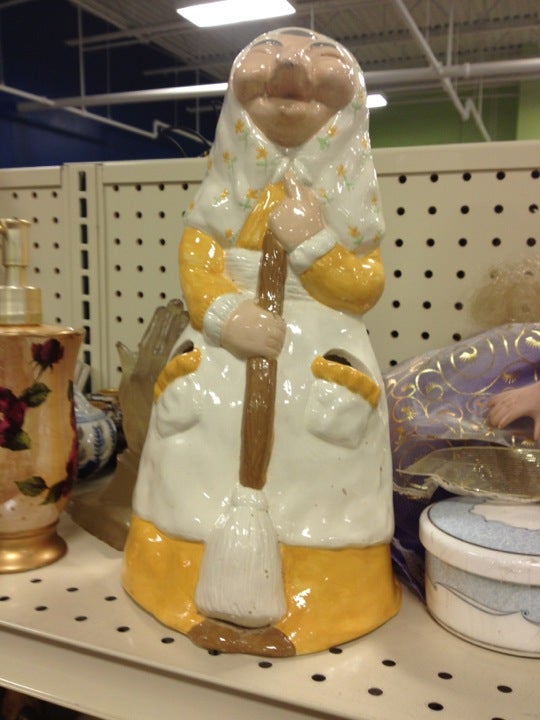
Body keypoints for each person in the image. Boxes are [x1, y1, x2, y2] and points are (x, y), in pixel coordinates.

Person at [123, 27, 400, 656]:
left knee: (320, 464)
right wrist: (226, 316)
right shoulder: (223, 197)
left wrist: (314, 244)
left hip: (319, 360)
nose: (291, 70)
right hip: (223, 355)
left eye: (319, 64)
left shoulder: (349, 210)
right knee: (196, 457)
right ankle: (178, 581)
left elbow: (363, 285)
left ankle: (322, 598)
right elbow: (197, 260)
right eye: (269, 60)